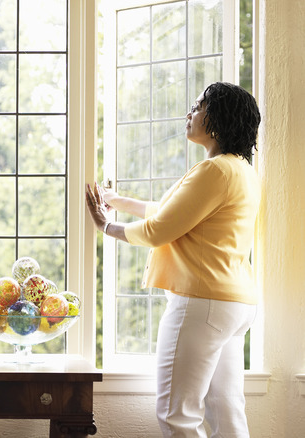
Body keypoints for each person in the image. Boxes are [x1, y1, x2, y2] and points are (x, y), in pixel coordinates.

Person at [85, 82, 262, 437]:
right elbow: (175, 213)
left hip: (201, 304)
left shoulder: (213, 171)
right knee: (227, 413)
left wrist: (106, 226)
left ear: (218, 118)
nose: (189, 113)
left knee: (176, 415)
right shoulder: (241, 170)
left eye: (198, 106)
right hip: (233, 305)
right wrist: (119, 202)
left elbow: (158, 230)